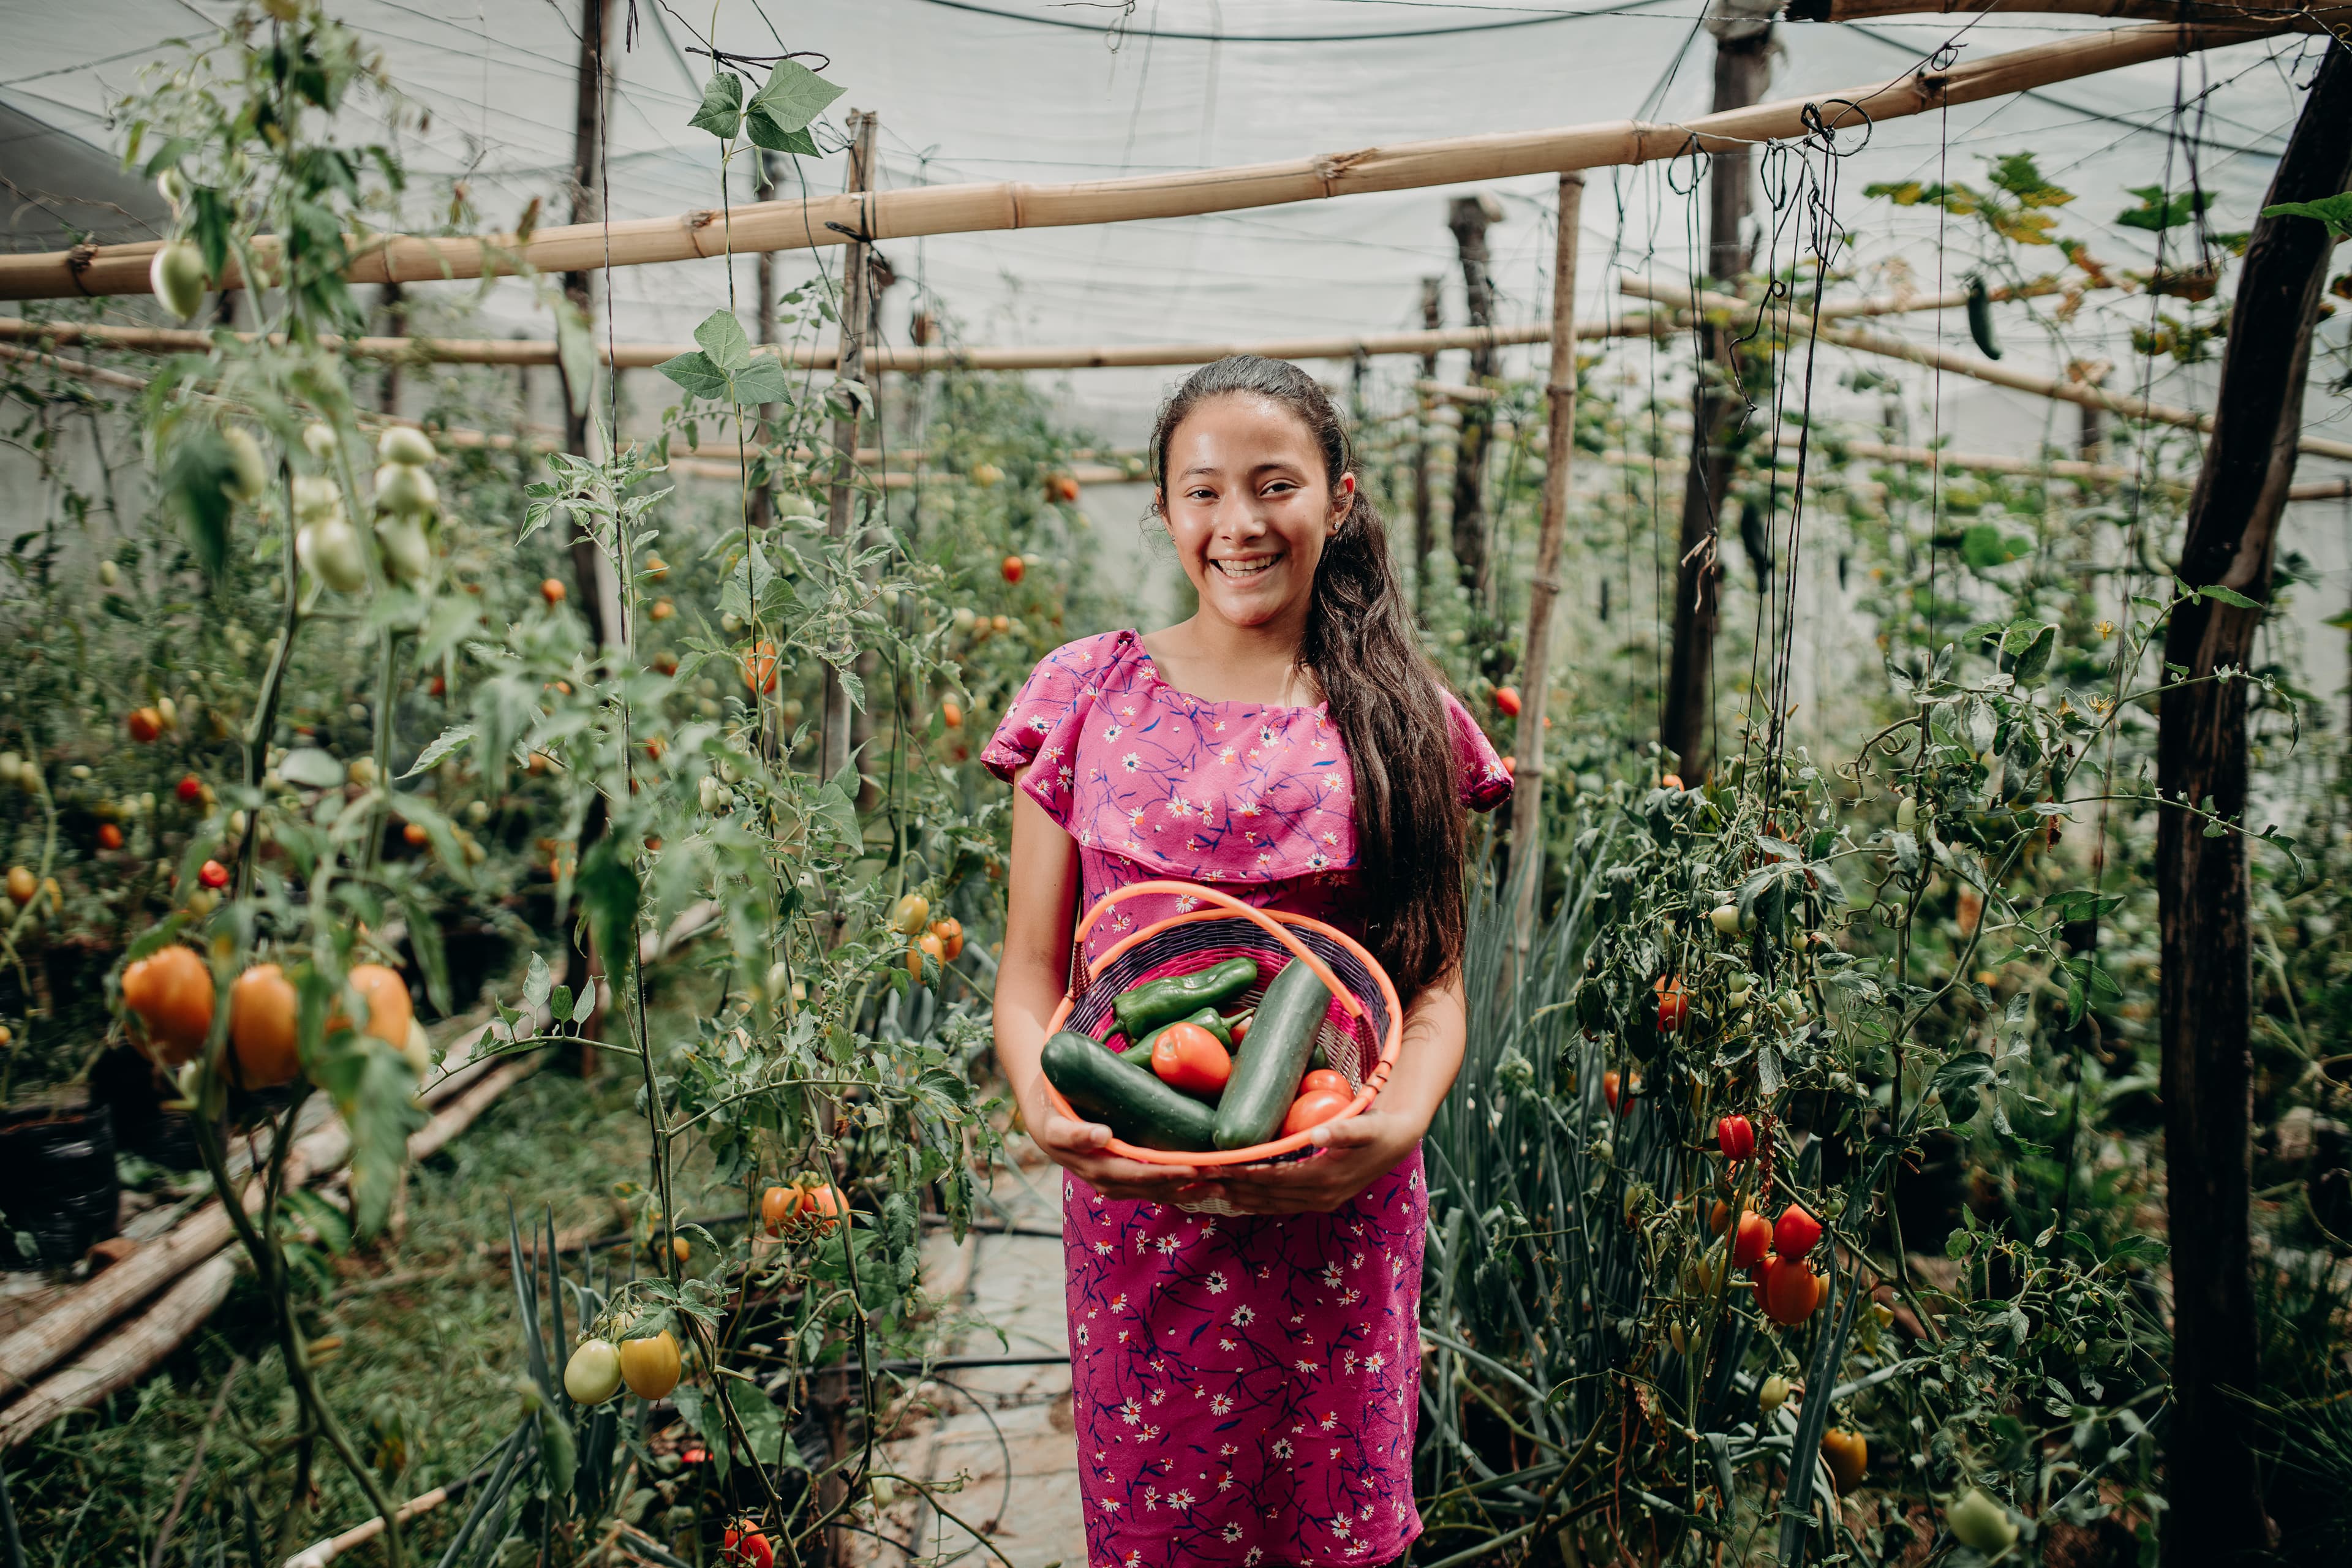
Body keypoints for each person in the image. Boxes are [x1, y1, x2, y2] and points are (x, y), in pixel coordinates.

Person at [985, 355, 1512, 1567]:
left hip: (1338, 1196)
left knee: (1333, 1526)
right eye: (1203, 491)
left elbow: (1431, 981)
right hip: (1140, 1201)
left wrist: (1396, 1124)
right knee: (1161, 1527)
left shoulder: (1403, 716)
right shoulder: (1083, 696)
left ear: (1338, 499)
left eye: (1274, 485)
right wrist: (1039, 1097)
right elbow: (1027, 979)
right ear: (1166, 511)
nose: (1239, 522)